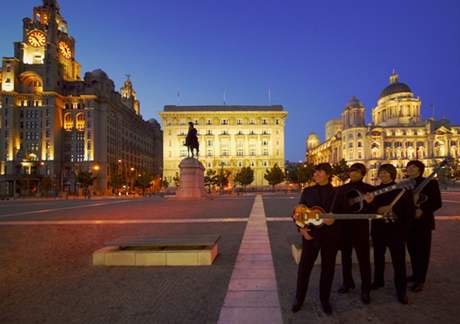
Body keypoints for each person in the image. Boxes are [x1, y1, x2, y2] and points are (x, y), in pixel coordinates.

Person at [292, 163, 339, 315]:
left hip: (330, 237)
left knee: (328, 269)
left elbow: (343, 216)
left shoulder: (337, 193)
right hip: (310, 235)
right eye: (315, 173)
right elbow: (299, 213)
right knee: (304, 269)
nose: (315, 175)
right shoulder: (308, 191)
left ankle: (324, 300)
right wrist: (301, 229)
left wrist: (334, 221)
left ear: (328, 174)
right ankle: (299, 299)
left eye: (319, 172)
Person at [368, 164, 415, 304]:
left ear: (392, 174)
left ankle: (401, 291)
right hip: (378, 230)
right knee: (378, 258)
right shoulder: (375, 190)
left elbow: (409, 211)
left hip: (396, 231)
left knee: (398, 261)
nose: (383, 175)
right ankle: (378, 280)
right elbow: (369, 209)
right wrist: (376, 207)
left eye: (386, 172)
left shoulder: (402, 189)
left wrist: (395, 213)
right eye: (381, 172)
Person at [332, 163, 373, 304]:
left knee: (364, 259)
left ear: (363, 174)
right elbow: (335, 208)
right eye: (352, 171)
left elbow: (375, 209)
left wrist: (370, 203)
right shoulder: (341, 189)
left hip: (361, 228)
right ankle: (347, 282)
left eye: (357, 172)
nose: (353, 174)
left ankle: (365, 289)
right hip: (344, 228)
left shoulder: (369, 189)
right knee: (345, 257)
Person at [406, 160, 442, 292]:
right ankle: (415, 274)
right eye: (408, 166)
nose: (410, 168)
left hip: (423, 223)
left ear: (420, 169)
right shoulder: (405, 184)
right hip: (409, 223)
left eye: (413, 167)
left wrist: (423, 210)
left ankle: (420, 280)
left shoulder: (431, 183)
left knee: (423, 252)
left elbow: (437, 202)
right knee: (412, 251)